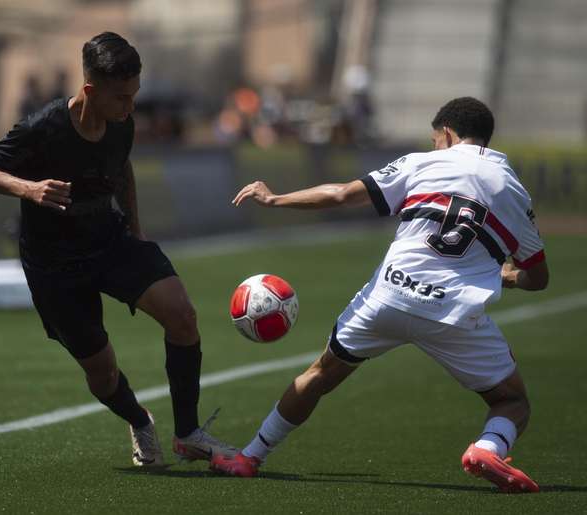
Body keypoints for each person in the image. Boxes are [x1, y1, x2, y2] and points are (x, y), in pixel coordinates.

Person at [211, 97, 549, 493]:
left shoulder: (421, 163)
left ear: (448, 134)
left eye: (436, 139)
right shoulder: (515, 191)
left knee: (319, 375)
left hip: (388, 297)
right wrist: (507, 277)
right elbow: (538, 276)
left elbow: (339, 194)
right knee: (513, 402)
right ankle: (487, 448)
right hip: (455, 314)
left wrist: (275, 199)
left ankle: (249, 457)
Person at [0, 32, 236, 467]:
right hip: (54, 261)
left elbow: (122, 170)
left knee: (182, 315)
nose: (130, 108)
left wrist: (135, 228)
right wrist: (30, 188)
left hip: (109, 238)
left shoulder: (121, 121)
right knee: (103, 373)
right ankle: (139, 419)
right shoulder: (42, 128)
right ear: (90, 90)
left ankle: (188, 433)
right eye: (121, 98)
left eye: (134, 96)